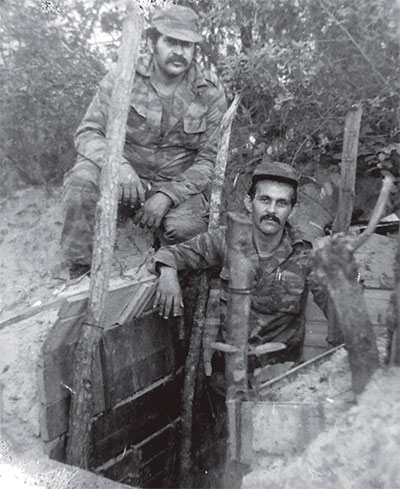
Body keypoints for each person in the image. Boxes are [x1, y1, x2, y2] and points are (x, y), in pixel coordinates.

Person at [61, 5, 227, 278]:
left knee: (188, 230)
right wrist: (119, 167)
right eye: (171, 41)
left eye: (187, 45)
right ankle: (80, 271)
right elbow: (88, 133)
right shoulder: (122, 78)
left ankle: (171, 287)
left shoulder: (209, 92)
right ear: (152, 41)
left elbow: (209, 159)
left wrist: (167, 195)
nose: (179, 51)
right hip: (124, 179)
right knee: (82, 182)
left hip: (176, 184)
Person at [152, 161, 330, 368]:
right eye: (265, 200)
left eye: (281, 203)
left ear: (293, 210)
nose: (271, 210)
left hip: (280, 374)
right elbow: (171, 253)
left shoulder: (304, 253)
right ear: (249, 202)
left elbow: (336, 308)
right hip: (228, 375)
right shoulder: (227, 240)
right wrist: (167, 275)